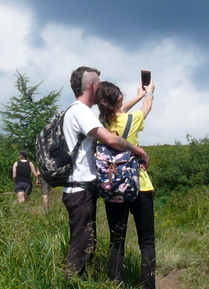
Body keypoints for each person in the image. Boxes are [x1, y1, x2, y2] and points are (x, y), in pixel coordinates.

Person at [61, 66, 149, 278]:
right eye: (99, 85)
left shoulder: (77, 111)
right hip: (79, 188)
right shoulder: (81, 111)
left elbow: (116, 113)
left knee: (86, 240)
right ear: (92, 85)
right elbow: (110, 139)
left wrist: (139, 96)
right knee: (82, 244)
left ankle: (76, 287)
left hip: (79, 187)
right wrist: (140, 152)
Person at [95, 79, 159, 289]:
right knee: (147, 242)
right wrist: (149, 94)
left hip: (113, 188)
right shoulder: (133, 120)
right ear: (118, 99)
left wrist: (138, 95)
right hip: (140, 186)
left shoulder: (102, 123)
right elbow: (146, 109)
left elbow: (119, 112)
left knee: (117, 242)